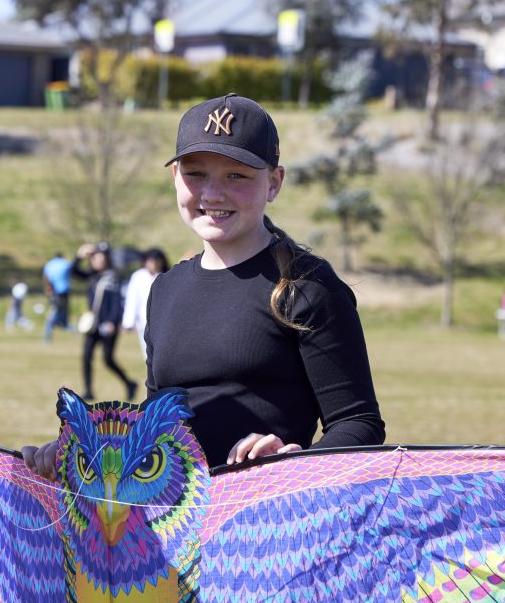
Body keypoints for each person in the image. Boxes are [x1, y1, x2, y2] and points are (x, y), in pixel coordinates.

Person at [25, 93, 383, 475]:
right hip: (170, 528)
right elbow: (157, 431)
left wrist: (292, 464)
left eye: (236, 175)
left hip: (262, 522)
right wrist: (84, 454)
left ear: (274, 183)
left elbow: (359, 424)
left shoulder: (305, 285)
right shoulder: (163, 289)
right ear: (175, 177)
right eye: (196, 173)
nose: (212, 193)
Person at [73, 242, 137, 401]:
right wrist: (79, 256)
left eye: (101, 256)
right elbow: (73, 272)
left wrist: (113, 321)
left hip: (108, 325)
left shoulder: (114, 276)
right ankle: (88, 390)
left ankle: (129, 383)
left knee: (108, 359)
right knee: (86, 356)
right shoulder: (92, 275)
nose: (98, 259)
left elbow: (118, 301)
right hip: (93, 325)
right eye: (95, 257)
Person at [122, 247, 168, 359]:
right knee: (148, 354)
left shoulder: (167, 276)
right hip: (144, 322)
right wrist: (128, 322)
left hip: (165, 323)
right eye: (151, 260)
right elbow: (132, 300)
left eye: (156, 260)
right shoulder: (138, 277)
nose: (153, 263)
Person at [42, 252, 73, 342]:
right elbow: (70, 274)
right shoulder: (66, 263)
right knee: (64, 312)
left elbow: (46, 278)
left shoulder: (49, 264)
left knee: (54, 311)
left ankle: (48, 334)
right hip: (64, 292)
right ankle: (68, 329)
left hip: (53, 292)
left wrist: (47, 289)